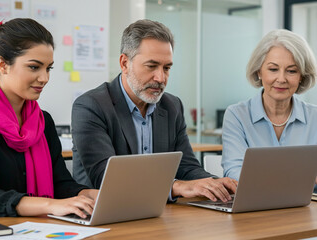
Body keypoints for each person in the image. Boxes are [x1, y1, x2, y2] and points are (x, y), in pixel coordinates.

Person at [72, 19, 237, 202]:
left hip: (158, 213)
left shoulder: (172, 106)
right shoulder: (91, 106)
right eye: (151, 66)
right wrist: (175, 186)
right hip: (107, 214)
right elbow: (105, 178)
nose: (160, 78)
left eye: (167, 68)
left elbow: (187, 167)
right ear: (124, 63)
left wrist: (216, 184)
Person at [0, 18, 98, 218]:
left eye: (48, 68)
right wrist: (50, 205)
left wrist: (90, 195)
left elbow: (61, 185)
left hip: (41, 230)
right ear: (3, 65)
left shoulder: (43, 121)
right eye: (34, 67)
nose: (45, 78)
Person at [222, 29, 317, 181]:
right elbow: (234, 172)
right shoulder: (237, 115)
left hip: (307, 203)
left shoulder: (314, 117)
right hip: (256, 202)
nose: (281, 79)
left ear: (302, 76)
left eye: (291, 71)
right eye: (273, 69)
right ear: (259, 71)